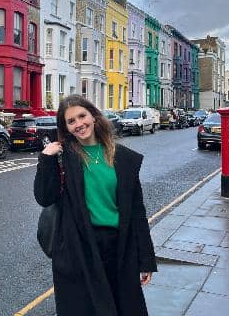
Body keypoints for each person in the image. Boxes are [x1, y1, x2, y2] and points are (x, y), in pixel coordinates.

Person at [34, 95, 157, 316]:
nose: (79, 124)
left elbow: (137, 212)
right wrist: (46, 159)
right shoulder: (64, 158)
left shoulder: (123, 158)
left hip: (119, 249)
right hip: (78, 251)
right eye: (71, 121)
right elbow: (45, 197)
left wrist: (145, 259)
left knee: (122, 308)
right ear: (66, 127)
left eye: (82, 116)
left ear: (93, 116)